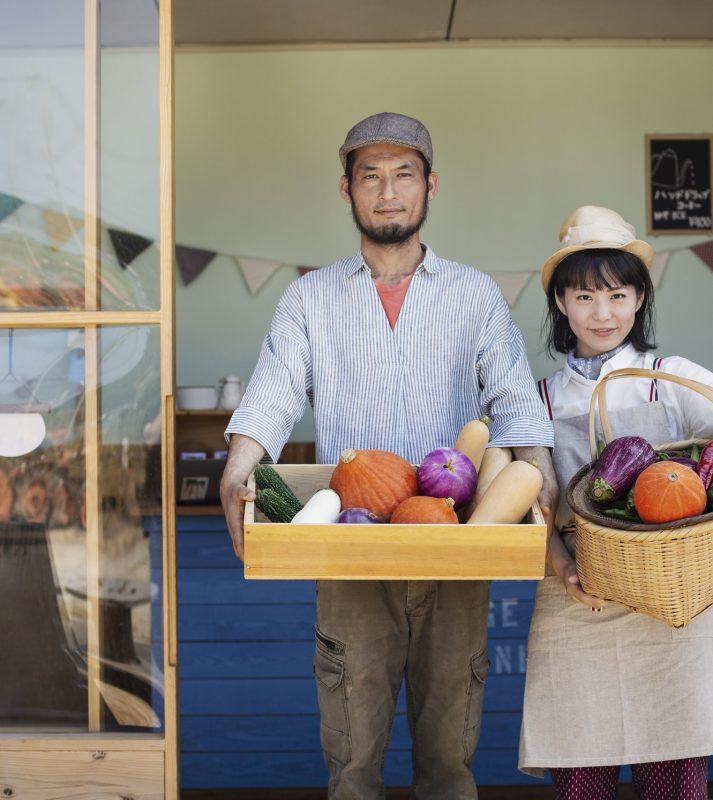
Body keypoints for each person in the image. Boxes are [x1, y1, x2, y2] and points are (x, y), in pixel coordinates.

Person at [220, 111, 556, 799]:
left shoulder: (473, 296)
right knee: (352, 758)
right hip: (351, 545)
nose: (388, 190)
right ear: (346, 191)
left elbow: (515, 399)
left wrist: (538, 473)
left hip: (456, 539)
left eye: (403, 174)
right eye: (369, 176)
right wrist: (237, 464)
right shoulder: (310, 298)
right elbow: (276, 390)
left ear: (429, 186)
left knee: (447, 759)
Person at [518, 205, 713, 799]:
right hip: (578, 596)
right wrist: (564, 567)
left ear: (639, 298)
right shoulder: (538, 401)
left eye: (617, 295)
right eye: (583, 297)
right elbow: (534, 507)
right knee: (581, 774)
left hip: (672, 598)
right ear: (559, 303)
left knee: (674, 773)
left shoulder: (673, 378)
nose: (602, 314)